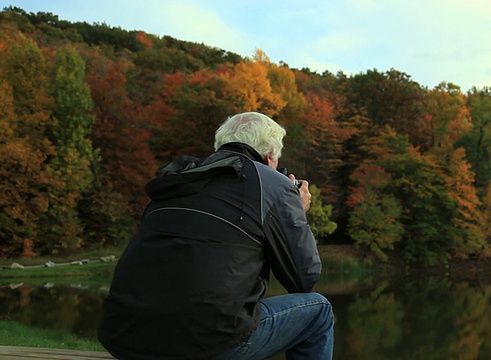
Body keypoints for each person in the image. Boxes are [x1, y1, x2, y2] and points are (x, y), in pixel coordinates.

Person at [98, 112, 334, 360]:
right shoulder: (273, 183)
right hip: (206, 346)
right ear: (269, 156)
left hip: (123, 339)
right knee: (318, 310)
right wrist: (297, 210)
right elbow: (304, 278)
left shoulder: (179, 178)